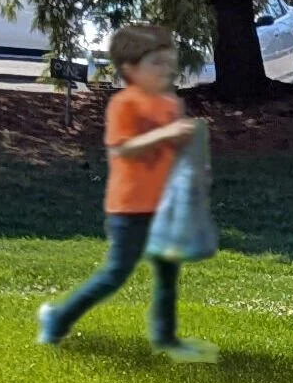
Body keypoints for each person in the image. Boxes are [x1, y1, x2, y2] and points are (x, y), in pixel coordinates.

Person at [37, 22, 217, 362]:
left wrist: (196, 165)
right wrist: (165, 136)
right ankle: (57, 319)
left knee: (167, 275)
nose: (167, 70)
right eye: (157, 63)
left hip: (165, 207)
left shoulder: (170, 105)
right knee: (116, 273)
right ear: (130, 69)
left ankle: (165, 339)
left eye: (169, 62)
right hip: (129, 209)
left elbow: (175, 158)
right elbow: (123, 149)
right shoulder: (125, 104)